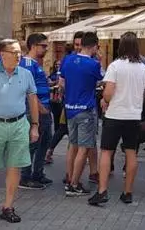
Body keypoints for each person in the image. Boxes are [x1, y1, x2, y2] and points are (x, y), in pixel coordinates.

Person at [0, 39, 39, 224]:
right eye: (14, 52)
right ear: (2, 54)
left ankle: (8, 207)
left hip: (19, 125)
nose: (18, 55)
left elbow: (32, 100)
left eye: (20, 52)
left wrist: (35, 125)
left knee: (15, 166)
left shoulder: (26, 74)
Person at [89, 32, 145, 206]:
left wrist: (104, 100)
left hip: (115, 114)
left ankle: (102, 191)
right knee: (131, 153)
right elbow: (144, 93)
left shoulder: (115, 66)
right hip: (134, 116)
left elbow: (108, 93)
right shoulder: (143, 68)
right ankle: (127, 192)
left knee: (106, 152)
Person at [60, 32, 103, 197]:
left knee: (73, 145)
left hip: (70, 107)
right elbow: (101, 81)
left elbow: (62, 83)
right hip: (85, 108)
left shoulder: (67, 60)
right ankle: (74, 184)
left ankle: (69, 177)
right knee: (84, 148)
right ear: (94, 46)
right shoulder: (93, 64)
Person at [17, 33, 52, 190]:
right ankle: (25, 177)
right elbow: (27, 89)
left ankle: (37, 173)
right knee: (33, 142)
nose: (46, 49)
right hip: (36, 110)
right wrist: (39, 106)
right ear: (33, 46)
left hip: (43, 108)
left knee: (45, 141)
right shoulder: (27, 64)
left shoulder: (35, 64)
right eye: (43, 46)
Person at [46, 59, 66, 164]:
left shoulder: (63, 73)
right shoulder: (56, 74)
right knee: (61, 128)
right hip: (58, 102)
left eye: (60, 64)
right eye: (56, 64)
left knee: (62, 129)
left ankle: (49, 150)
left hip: (63, 103)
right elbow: (59, 86)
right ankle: (49, 150)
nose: (58, 66)